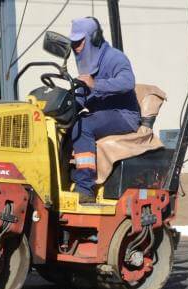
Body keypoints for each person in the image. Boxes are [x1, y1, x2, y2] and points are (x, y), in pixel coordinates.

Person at [68, 16, 140, 204]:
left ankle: (85, 189)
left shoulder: (114, 57)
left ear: (92, 38)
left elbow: (128, 82)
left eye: (79, 42)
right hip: (102, 114)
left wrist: (96, 84)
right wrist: (67, 109)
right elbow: (83, 93)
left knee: (83, 126)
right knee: (66, 124)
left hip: (124, 115)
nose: (75, 47)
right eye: (72, 43)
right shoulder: (88, 63)